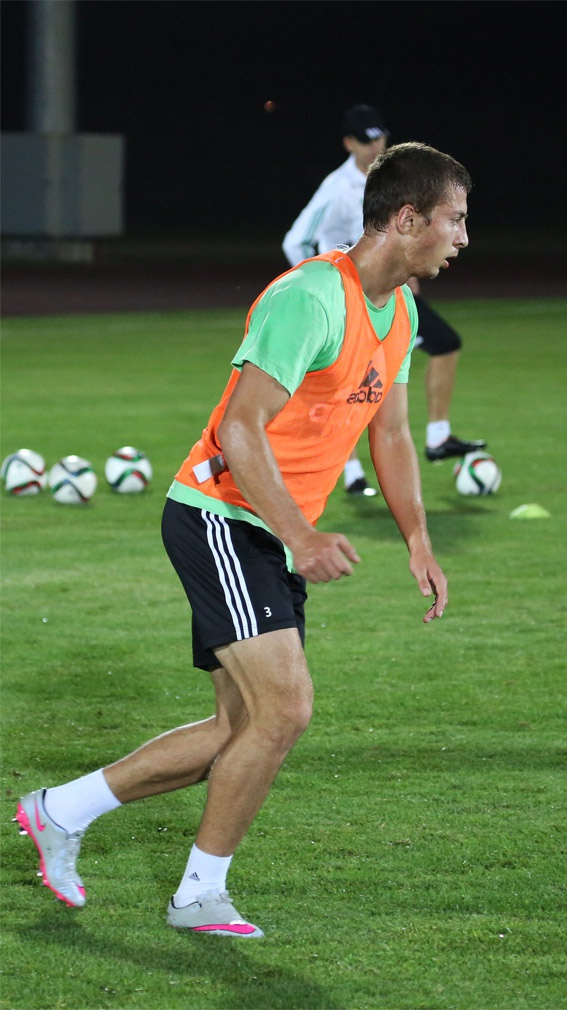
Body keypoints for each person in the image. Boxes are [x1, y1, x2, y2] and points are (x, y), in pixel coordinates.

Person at [16, 142, 471, 938]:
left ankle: (60, 811)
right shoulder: (311, 298)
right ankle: (199, 894)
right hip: (221, 515)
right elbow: (239, 426)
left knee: (240, 729)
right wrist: (300, 534)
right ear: (407, 220)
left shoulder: (398, 311)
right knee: (286, 710)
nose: (462, 238)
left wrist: (419, 541)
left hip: (266, 531)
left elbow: (392, 434)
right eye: (454, 219)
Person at [283, 104, 485, 498]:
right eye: (366, 140)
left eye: (380, 137)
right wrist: (322, 283)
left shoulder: (394, 180)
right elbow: (296, 240)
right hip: (350, 299)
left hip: (389, 296)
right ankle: (352, 472)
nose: (376, 146)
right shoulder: (336, 187)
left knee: (436, 348)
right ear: (348, 143)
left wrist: (409, 273)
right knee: (345, 384)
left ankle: (436, 436)